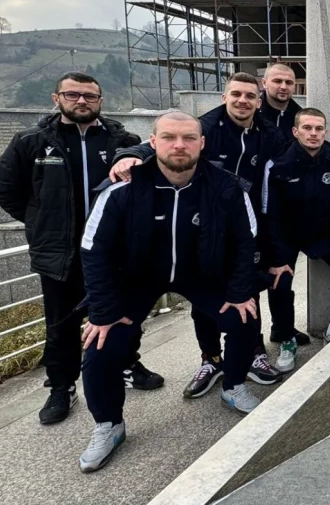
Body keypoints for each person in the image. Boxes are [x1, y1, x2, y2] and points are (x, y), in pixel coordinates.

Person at [77, 111, 264, 472]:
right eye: (169, 137)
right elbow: (94, 251)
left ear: (202, 143)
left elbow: (246, 243)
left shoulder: (227, 187)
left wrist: (240, 292)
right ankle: (109, 424)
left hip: (202, 273)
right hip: (139, 277)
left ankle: (234, 386)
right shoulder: (121, 189)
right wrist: (102, 312)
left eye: (188, 138)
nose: (179, 145)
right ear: (153, 142)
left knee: (244, 318)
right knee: (101, 343)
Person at [0, 72, 163, 426]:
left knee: (123, 314)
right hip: (60, 252)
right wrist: (41, 221)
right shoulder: (32, 141)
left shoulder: (122, 140)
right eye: (73, 94)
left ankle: (127, 364)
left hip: (113, 250)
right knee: (61, 324)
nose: (81, 101)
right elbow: (7, 188)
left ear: (100, 101)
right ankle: (62, 386)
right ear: (56, 98)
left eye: (90, 95)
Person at [110, 73, 285, 397]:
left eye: (250, 96)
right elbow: (167, 143)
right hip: (204, 223)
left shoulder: (269, 133)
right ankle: (211, 358)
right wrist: (128, 156)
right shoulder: (206, 127)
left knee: (246, 292)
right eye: (236, 94)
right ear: (224, 97)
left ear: (259, 102)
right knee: (203, 298)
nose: (243, 101)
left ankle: (253, 353)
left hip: (245, 221)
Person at [261, 108, 330, 373]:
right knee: (279, 282)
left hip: (324, 232)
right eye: (307, 128)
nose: (313, 133)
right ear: (296, 131)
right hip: (288, 234)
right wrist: (277, 258)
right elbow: (270, 214)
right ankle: (287, 340)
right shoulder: (278, 163)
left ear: (326, 132)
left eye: (318, 129)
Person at [257, 63, 301, 139]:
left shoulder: (300, 117)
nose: (284, 87)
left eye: (289, 82)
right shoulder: (252, 114)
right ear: (264, 83)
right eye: (277, 81)